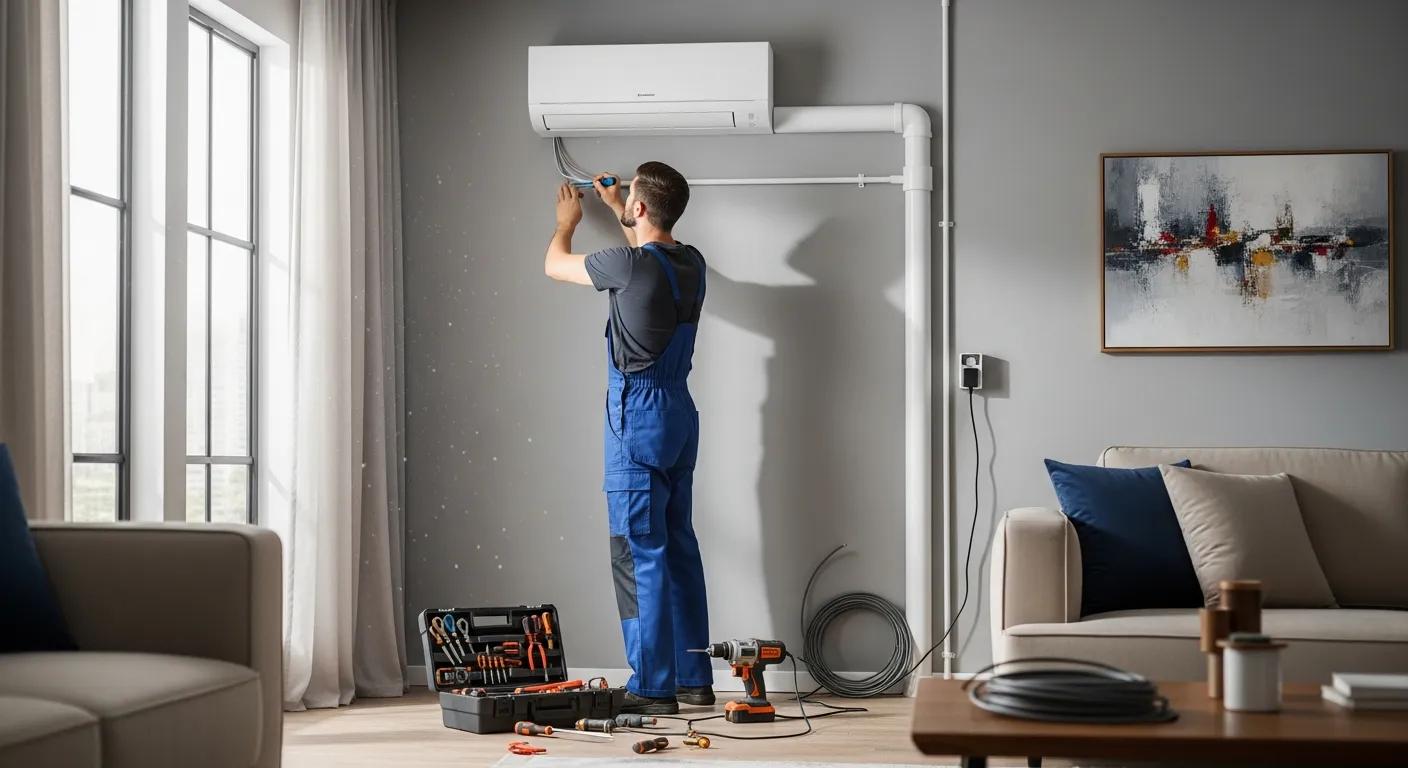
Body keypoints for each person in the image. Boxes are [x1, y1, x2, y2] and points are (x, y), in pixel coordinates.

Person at [542, 162, 713, 714]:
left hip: (635, 418)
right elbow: (650, 254)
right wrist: (620, 208)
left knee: (638, 553)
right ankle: (694, 678)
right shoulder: (692, 263)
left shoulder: (626, 265)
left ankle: (652, 687)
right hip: (679, 417)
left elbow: (553, 266)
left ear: (641, 210)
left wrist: (567, 222)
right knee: (678, 547)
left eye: (632, 199)